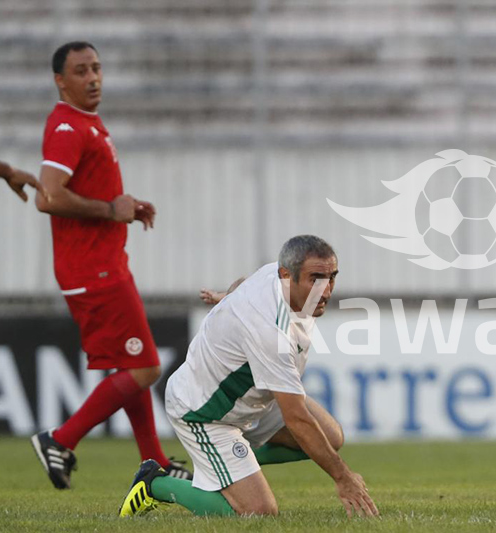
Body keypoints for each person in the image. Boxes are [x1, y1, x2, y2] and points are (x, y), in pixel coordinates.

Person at [119, 236, 378, 518]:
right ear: (286, 275)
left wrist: (228, 299)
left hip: (248, 403)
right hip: (204, 413)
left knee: (331, 436)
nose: (325, 290)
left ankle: (233, 466)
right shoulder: (271, 331)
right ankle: (155, 483)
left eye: (332, 278)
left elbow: (243, 283)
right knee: (258, 512)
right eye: (315, 279)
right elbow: (296, 417)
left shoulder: (274, 275)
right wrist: (343, 477)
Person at [31, 41, 191, 489]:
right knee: (146, 368)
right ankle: (61, 439)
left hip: (101, 265)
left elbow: (85, 193)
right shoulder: (67, 126)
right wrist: (108, 210)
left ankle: (154, 461)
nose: (93, 78)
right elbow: (49, 196)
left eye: (97, 68)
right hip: (93, 270)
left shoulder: (88, 123)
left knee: (130, 364)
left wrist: (124, 208)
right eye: (81, 71)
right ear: (60, 81)